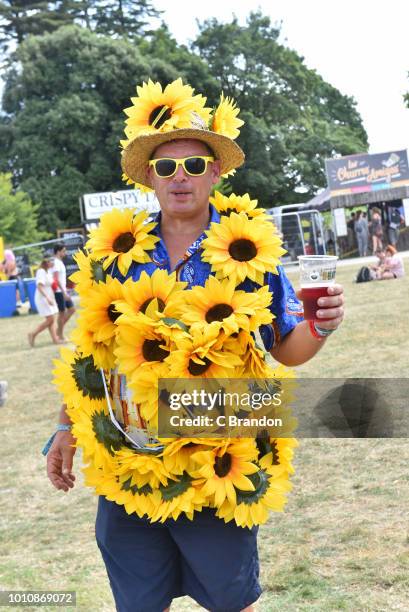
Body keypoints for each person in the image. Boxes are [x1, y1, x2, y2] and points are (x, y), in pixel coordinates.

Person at [45, 79, 345, 612]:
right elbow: (93, 353)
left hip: (217, 457)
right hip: (131, 461)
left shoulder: (249, 254)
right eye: (165, 168)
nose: (179, 177)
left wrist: (319, 328)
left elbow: (286, 350)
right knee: (139, 602)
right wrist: (67, 428)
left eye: (193, 165)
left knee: (232, 601)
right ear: (150, 180)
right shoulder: (115, 256)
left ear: (215, 173)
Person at [28, 256, 62, 347]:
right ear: (47, 262)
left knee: (51, 320)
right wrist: (47, 297)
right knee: (50, 319)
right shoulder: (41, 271)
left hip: (48, 297)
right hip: (42, 298)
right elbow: (39, 286)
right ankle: (33, 334)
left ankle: (55, 339)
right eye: (52, 262)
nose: (53, 264)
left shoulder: (48, 272)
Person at [51, 243, 75, 341]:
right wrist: (63, 292)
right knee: (61, 313)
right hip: (59, 292)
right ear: (58, 252)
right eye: (64, 251)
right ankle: (60, 335)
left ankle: (58, 331)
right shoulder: (56, 263)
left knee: (72, 309)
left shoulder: (59, 262)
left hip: (62, 291)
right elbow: (56, 279)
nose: (65, 253)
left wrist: (65, 289)